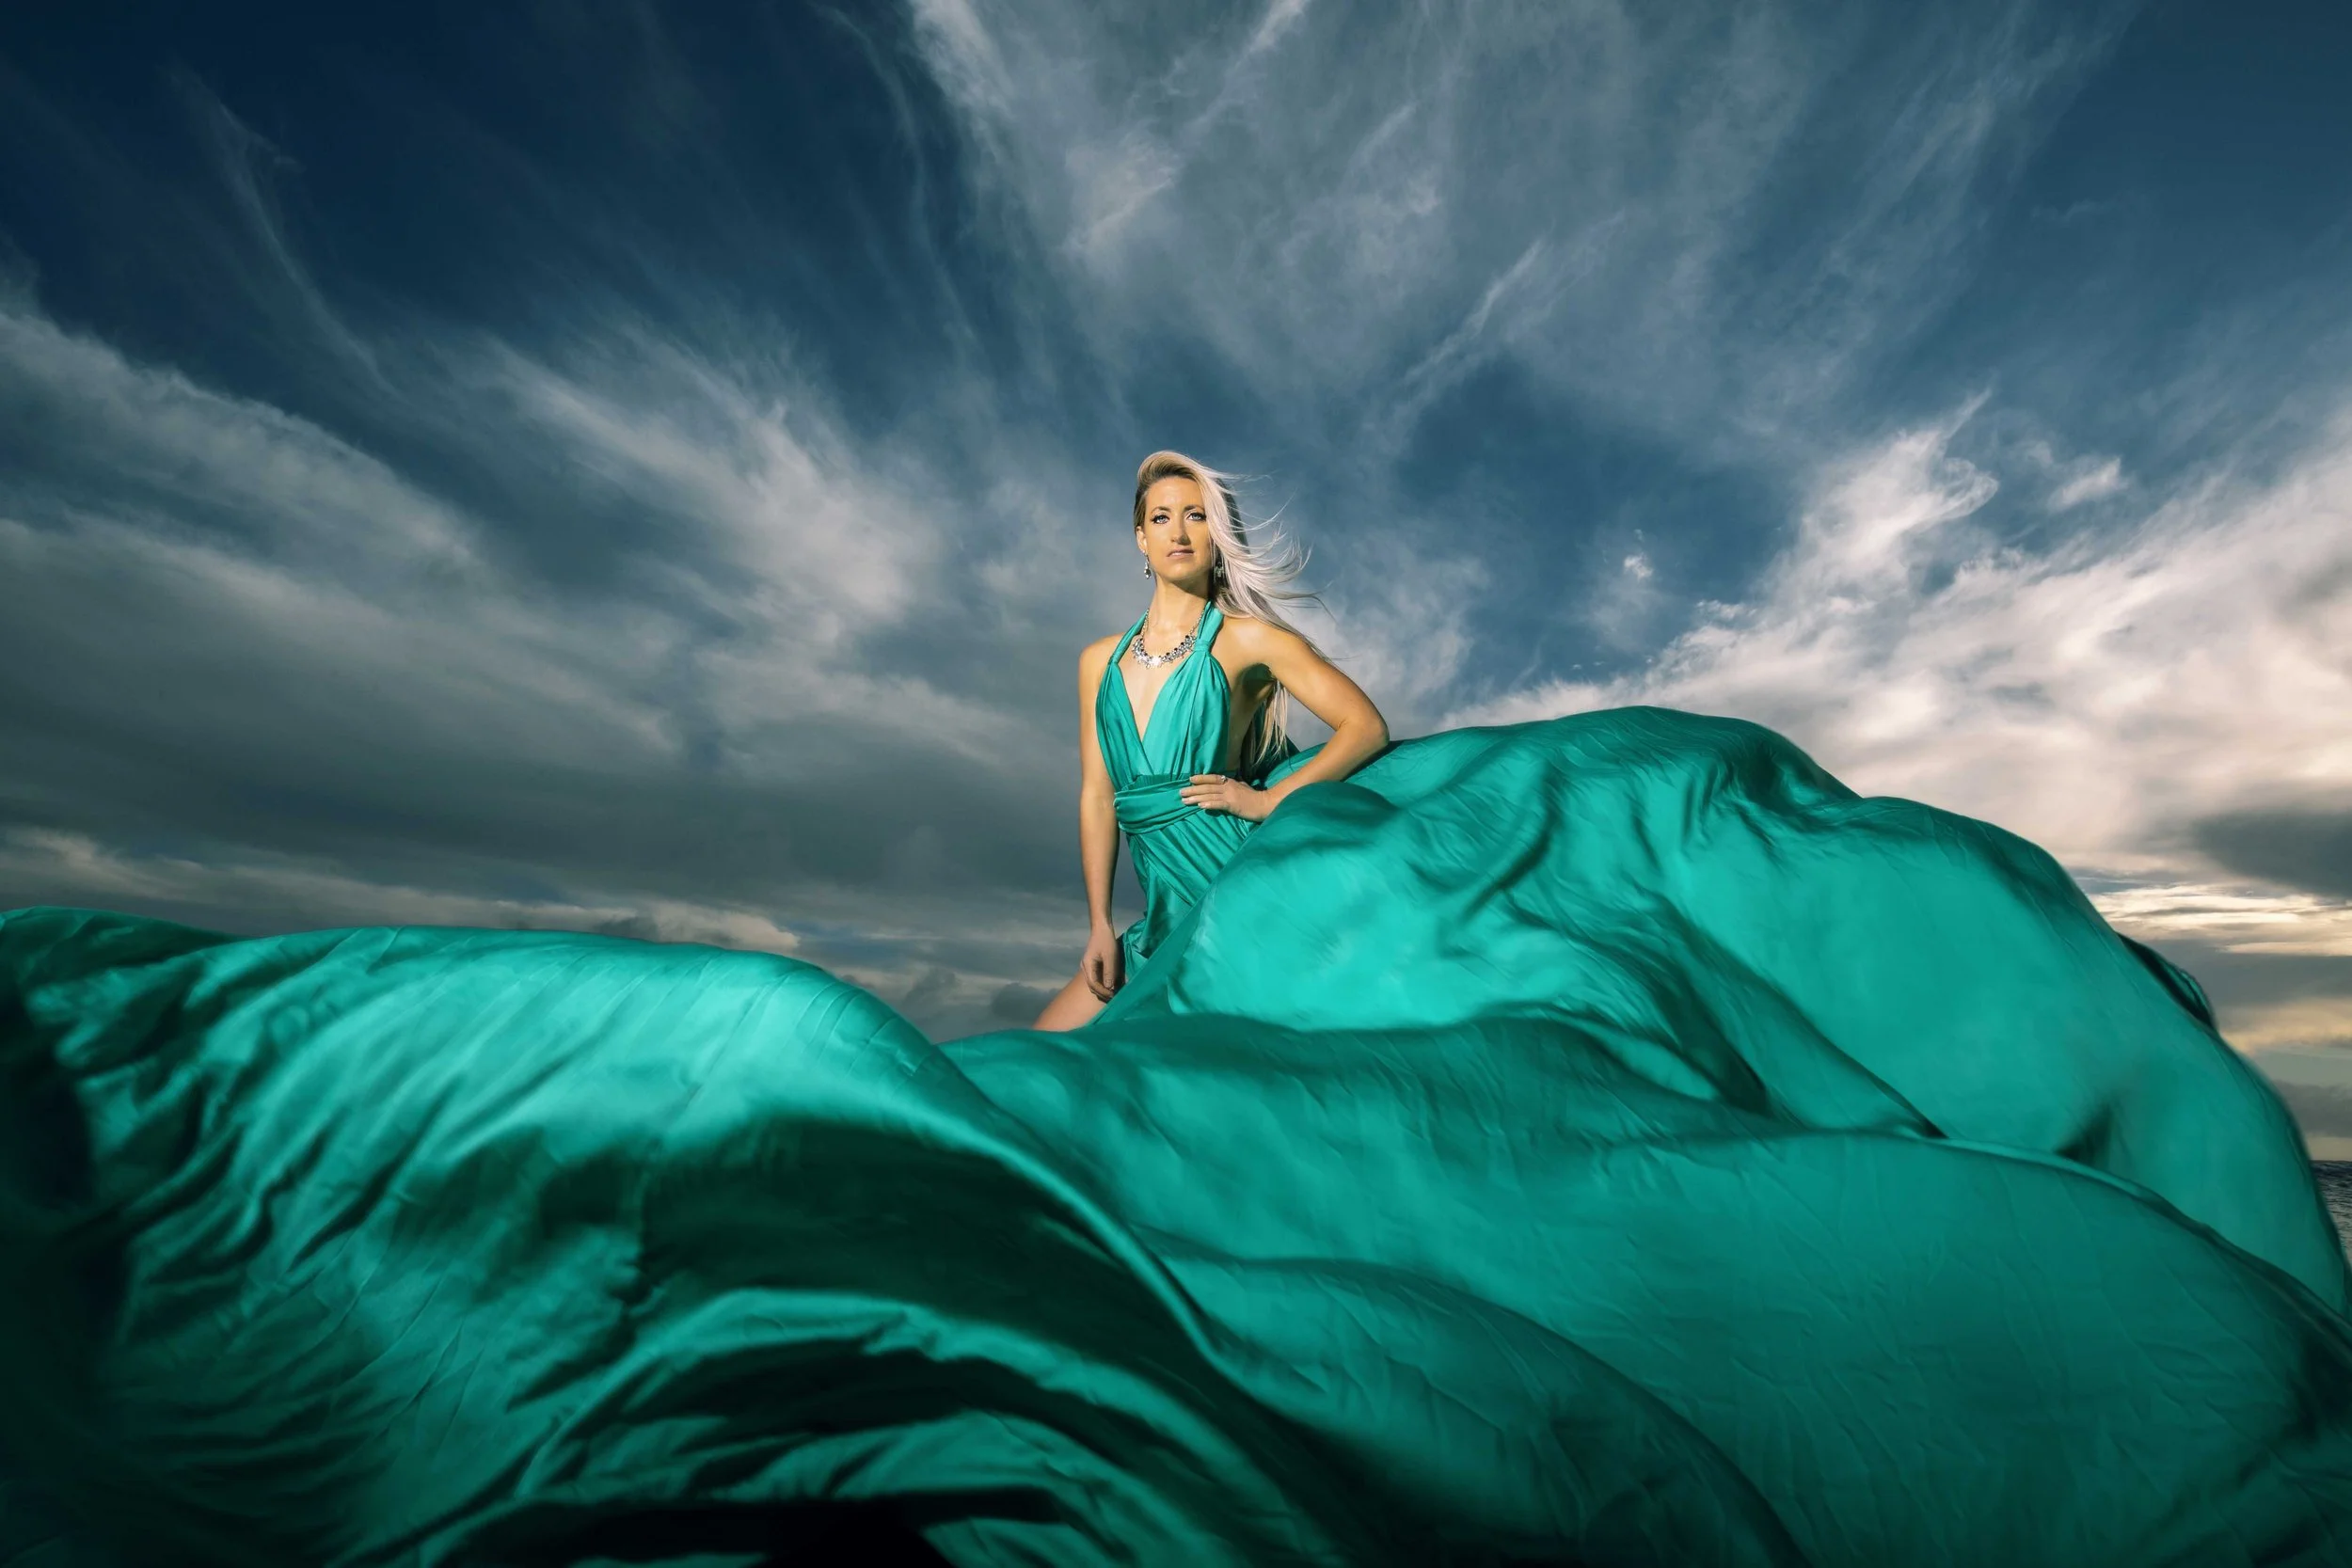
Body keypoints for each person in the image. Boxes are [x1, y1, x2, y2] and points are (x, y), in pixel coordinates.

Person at [1033, 451, 1388, 1030]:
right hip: (1161, 908)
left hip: (1233, 888)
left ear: (1217, 535)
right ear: (1140, 540)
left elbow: (1366, 727)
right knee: (1043, 1055)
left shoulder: (1250, 641)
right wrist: (1098, 921)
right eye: (1161, 518)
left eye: (1196, 516)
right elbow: (1098, 795)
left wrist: (1270, 801)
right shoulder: (1098, 662)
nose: (1178, 531)